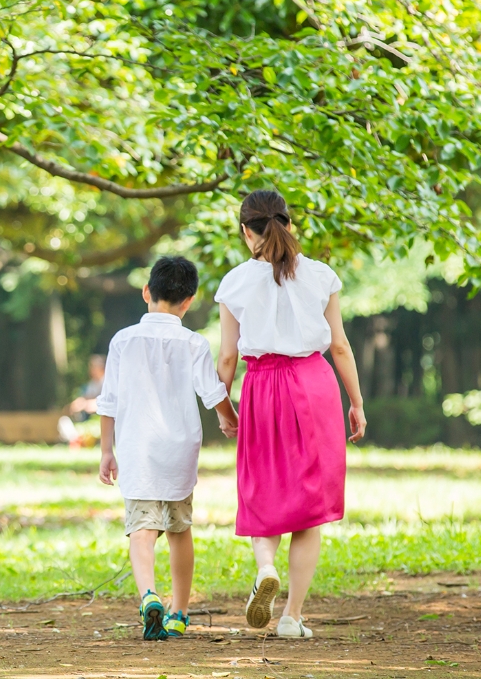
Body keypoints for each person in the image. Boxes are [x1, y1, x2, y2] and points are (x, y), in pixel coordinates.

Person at [214, 190, 366, 639]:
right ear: (289, 223)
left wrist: (224, 408)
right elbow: (339, 345)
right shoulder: (321, 276)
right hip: (314, 387)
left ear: (246, 231)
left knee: (263, 488)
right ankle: (292, 617)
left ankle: (265, 568)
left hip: (262, 388)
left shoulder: (235, 282)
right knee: (309, 508)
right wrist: (355, 402)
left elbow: (226, 358)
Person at [97, 256, 238, 641]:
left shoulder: (122, 340)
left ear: (147, 292)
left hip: (137, 446)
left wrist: (106, 451)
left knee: (142, 529)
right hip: (180, 447)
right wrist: (229, 418)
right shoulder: (194, 342)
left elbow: (108, 401)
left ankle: (148, 596)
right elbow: (213, 392)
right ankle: (179, 612)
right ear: (189, 301)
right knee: (179, 529)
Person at [65, 354, 106, 421]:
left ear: (101, 367)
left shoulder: (107, 382)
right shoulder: (92, 384)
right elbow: (88, 396)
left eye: (94, 366)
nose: (91, 370)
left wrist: (87, 404)